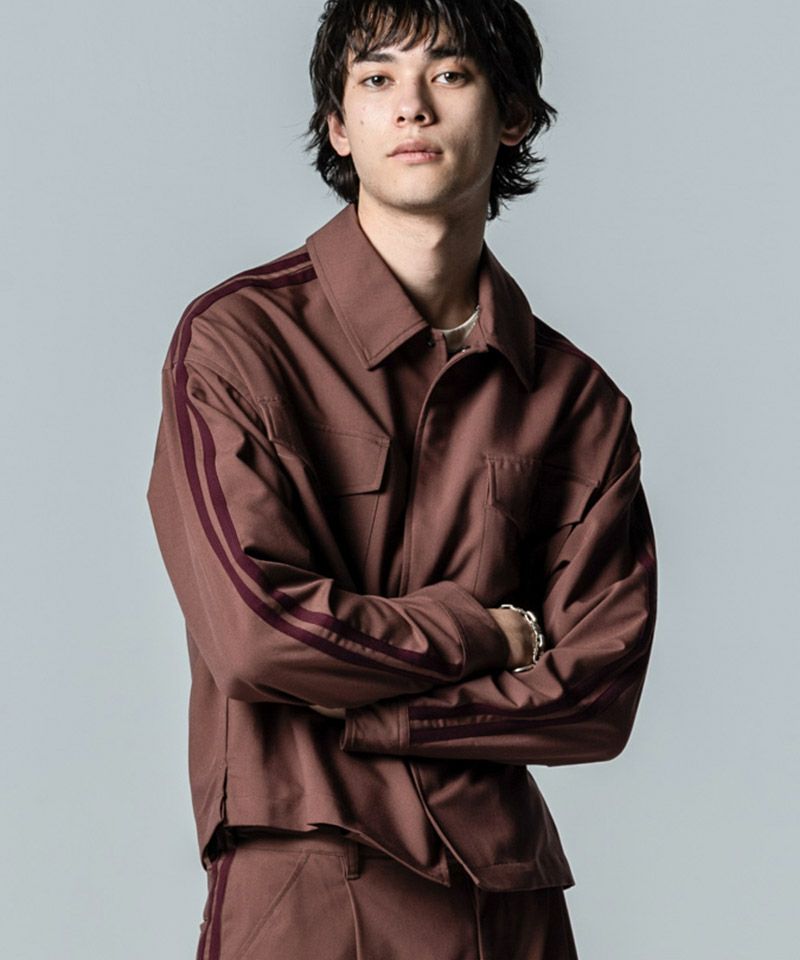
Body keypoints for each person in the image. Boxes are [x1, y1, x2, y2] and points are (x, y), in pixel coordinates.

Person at [145, 1, 657, 957]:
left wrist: (368, 710)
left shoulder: (576, 400)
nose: (412, 105)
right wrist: (488, 634)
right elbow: (258, 635)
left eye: (450, 74)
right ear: (339, 125)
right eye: (377, 79)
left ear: (514, 115)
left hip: (509, 906)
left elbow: (595, 694)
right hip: (306, 884)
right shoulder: (239, 342)